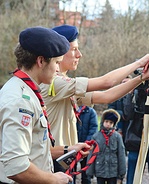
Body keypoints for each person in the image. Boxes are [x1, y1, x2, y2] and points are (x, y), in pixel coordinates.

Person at [39, 25, 149, 172]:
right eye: (74, 49)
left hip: (63, 159)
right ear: (59, 52)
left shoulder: (63, 83)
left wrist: (141, 78)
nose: (79, 55)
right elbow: (106, 82)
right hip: (52, 161)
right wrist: (139, 63)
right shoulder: (55, 82)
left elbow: (106, 96)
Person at [0, 26, 89, 183]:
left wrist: (68, 149)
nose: (57, 70)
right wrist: (52, 179)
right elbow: (16, 166)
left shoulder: (27, 90)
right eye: (56, 63)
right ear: (41, 61)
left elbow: (34, 148)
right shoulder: (20, 100)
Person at [86, 109, 126, 184]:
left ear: (114, 124)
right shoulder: (96, 136)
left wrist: (122, 172)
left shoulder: (117, 137)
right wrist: (89, 171)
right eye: (106, 121)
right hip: (100, 169)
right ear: (103, 122)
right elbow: (92, 154)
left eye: (111, 122)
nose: (108, 124)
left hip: (113, 171)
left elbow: (121, 154)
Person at [76, 105, 98, 184]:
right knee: (71, 172)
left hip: (86, 148)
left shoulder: (91, 112)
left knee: (86, 173)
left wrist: (86, 143)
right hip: (73, 147)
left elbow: (93, 128)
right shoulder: (72, 110)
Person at [108, 75, 132, 145]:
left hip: (132, 128)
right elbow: (110, 110)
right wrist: (122, 115)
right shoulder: (115, 95)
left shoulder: (136, 96)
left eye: (127, 83)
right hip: (119, 126)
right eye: (123, 82)